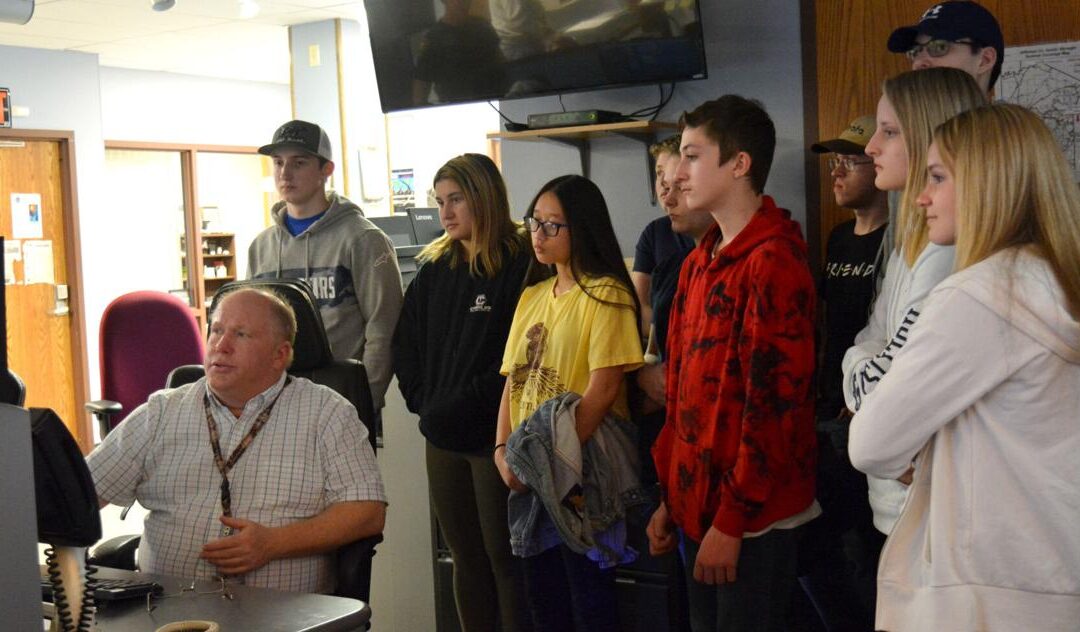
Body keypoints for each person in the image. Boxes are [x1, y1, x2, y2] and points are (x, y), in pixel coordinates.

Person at [849, 103, 1080, 631]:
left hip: (982, 593)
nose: (921, 197)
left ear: (987, 183)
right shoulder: (1060, 279)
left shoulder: (977, 296)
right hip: (1053, 576)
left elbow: (872, 443)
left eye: (937, 177)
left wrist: (921, 444)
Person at [647, 95, 818, 632]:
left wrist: (731, 519)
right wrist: (672, 500)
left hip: (753, 519)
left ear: (739, 164)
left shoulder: (774, 263)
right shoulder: (701, 260)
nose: (678, 173)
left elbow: (773, 413)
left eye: (694, 156)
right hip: (699, 505)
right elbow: (683, 396)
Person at [87, 288, 387, 594]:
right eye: (216, 330)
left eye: (241, 334)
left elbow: (367, 512)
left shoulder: (328, 414)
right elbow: (81, 493)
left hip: (284, 619)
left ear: (279, 355)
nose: (221, 345)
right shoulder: (162, 411)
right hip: (165, 611)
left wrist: (274, 543)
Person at [494, 174, 644, 632]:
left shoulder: (607, 294)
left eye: (552, 225)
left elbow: (603, 391)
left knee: (591, 603)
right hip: (529, 473)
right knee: (545, 605)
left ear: (582, 228)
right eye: (534, 222)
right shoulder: (532, 295)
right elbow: (512, 383)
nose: (538, 235)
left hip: (580, 475)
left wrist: (544, 465)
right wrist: (502, 452)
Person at [843, 68, 987, 538]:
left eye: (889, 132)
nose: (870, 148)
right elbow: (872, 344)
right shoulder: (911, 238)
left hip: (935, 515)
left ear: (928, 137)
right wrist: (862, 358)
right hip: (902, 503)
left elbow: (885, 391)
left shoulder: (948, 250)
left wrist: (859, 363)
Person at [392, 153, 532, 632]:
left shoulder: (523, 261)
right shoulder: (434, 268)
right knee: (464, 558)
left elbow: (514, 362)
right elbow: (405, 345)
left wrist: (450, 407)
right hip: (442, 436)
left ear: (485, 198)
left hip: (496, 436)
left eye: (456, 200)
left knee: (504, 558)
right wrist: (424, 405)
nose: (445, 213)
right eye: (439, 202)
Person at [795, 116, 890, 632]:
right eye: (835, 163)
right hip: (827, 410)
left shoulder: (898, 241)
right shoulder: (837, 239)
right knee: (823, 549)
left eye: (848, 163)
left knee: (864, 551)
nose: (836, 175)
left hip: (869, 415)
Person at [248, 119, 403, 412]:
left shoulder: (363, 239)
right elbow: (250, 327)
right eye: (278, 162)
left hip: (342, 403)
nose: (285, 173)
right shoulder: (261, 247)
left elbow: (383, 331)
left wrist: (364, 401)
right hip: (274, 406)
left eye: (299, 162)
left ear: (326, 170)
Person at [632, 135, 694, 338]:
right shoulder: (655, 232)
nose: (664, 187)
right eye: (659, 175)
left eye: (677, 180)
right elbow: (639, 306)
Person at [888, 1, 1004, 95]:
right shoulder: (903, 122)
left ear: (984, 60)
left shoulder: (1011, 123)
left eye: (940, 47)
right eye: (914, 51)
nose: (918, 63)